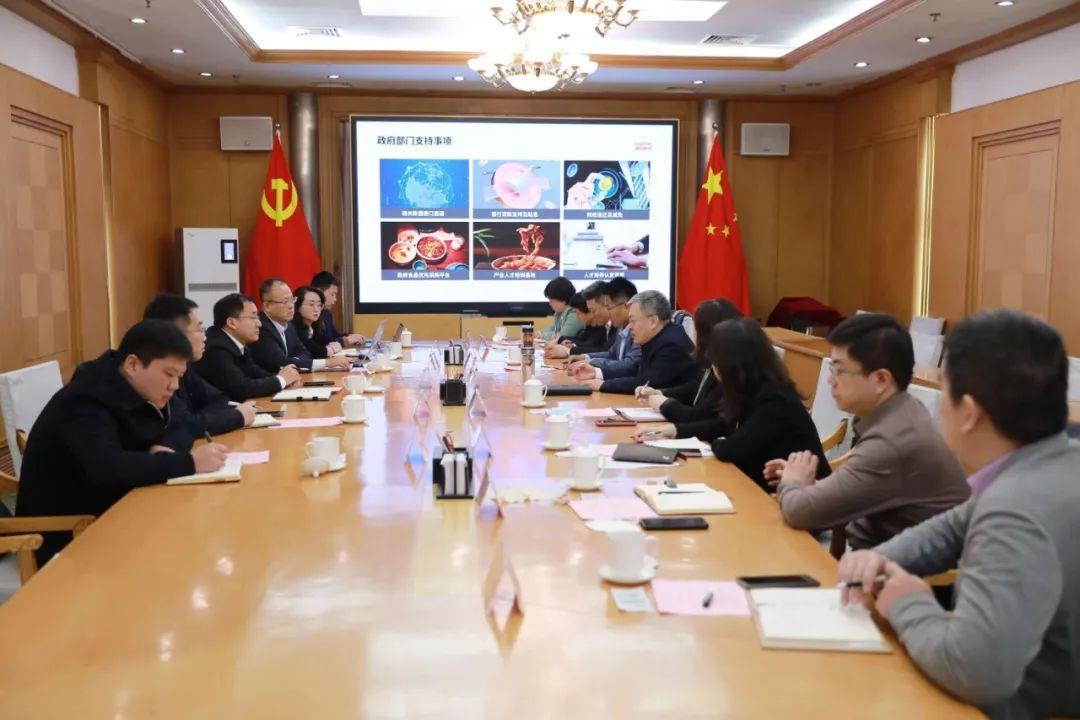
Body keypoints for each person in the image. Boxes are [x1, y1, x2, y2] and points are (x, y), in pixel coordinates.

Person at [838, 310, 1080, 719]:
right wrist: (879, 559)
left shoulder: (1015, 510)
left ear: (968, 413)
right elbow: (954, 527)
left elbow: (974, 672)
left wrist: (909, 603)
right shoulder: (1057, 463)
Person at [16, 320, 229, 563]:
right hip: (68, 534)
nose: (175, 386)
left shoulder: (144, 387)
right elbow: (107, 468)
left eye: (180, 376)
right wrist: (189, 463)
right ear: (132, 365)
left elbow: (182, 426)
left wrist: (163, 448)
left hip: (120, 511)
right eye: (169, 374)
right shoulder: (86, 400)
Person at [766, 314, 969, 549]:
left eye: (840, 371)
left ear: (881, 379)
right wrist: (803, 481)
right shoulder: (903, 410)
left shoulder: (891, 442)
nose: (831, 380)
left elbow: (800, 513)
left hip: (899, 567)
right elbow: (859, 489)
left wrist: (793, 482)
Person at [698, 318, 828, 490]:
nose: (713, 367)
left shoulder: (775, 401)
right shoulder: (750, 388)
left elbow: (733, 450)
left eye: (716, 362)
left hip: (802, 495)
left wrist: (719, 442)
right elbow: (723, 427)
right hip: (767, 485)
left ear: (730, 366)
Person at [143, 294, 256, 436]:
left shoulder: (186, 366)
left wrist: (202, 418)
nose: (205, 337)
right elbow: (185, 424)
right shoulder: (154, 372)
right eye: (199, 329)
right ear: (175, 335)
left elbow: (218, 399)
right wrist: (238, 416)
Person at [633, 298, 742, 442]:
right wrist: (660, 393)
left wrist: (665, 404)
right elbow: (693, 389)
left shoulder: (728, 372)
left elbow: (698, 416)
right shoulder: (712, 363)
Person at [570, 290, 697, 394]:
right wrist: (595, 372)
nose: (630, 327)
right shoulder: (656, 338)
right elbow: (634, 370)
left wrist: (603, 385)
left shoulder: (671, 344)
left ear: (653, 321)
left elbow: (648, 382)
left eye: (633, 321)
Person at [196, 293, 301, 401]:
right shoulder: (216, 349)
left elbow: (255, 373)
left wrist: (285, 378)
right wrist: (281, 380)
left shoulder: (236, 342)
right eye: (253, 317)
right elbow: (241, 388)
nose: (259, 323)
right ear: (232, 323)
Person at [250, 278, 350, 374]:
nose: (291, 306)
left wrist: (293, 361)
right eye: (285, 301)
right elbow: (280, 363)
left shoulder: (289, 326)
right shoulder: (260, 328)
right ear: (267, 306)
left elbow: (305, 353)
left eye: (292, 300)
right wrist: (327, 363)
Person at [567, 277, 640, 375]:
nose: (608, 313)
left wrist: (591, 364)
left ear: (626, 306)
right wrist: (585, 357)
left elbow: (629, 366)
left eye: (609, 308)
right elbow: (611, 354)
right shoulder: (621, 327)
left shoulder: (639, 329)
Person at [546, 282, 614, 359]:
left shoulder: (615, 326)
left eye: (593, 311)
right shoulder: (604, 324)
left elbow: (604, 351)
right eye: (590, 311)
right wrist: (569, 344)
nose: (592, 316)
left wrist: (569, 351)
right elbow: (585, 342)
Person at [310, 271, 364, 350]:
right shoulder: (310, 315)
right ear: (319, 292)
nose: (335, 299)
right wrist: (345, 340)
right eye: (332, 294)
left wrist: (351, 337)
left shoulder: (327, 314)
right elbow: (321, 344)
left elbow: (334, 336)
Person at [292, 285, 335, 360]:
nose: (316, 309)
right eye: (311, 304)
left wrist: (333, 345)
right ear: (298, 306)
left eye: (319, 305)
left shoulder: (314, 328)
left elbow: (328, 342)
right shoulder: (293, 329)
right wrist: (329, 350)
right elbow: (317, 351)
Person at [541, 277, 584, 341]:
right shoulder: (560, 313)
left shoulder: (575, 313)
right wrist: (539, 333)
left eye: (551, 300)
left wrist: (542, 336)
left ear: (562, 299)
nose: (549, 304)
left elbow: (563, 335)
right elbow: (553, 329)